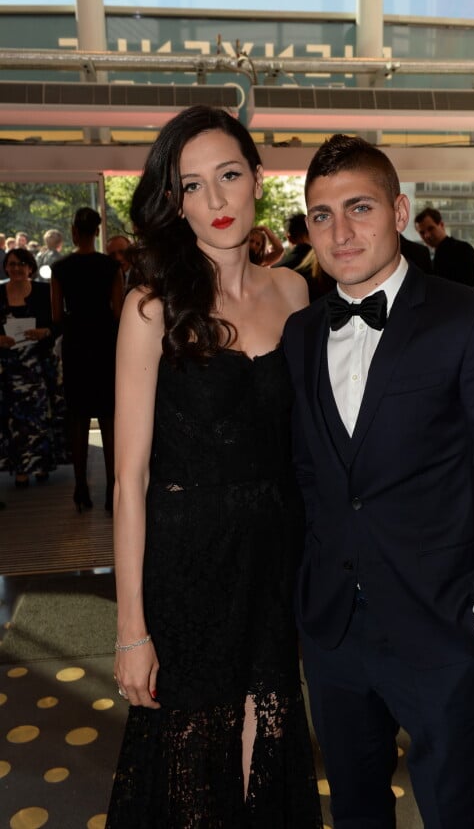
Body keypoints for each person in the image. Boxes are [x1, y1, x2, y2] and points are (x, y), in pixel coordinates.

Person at [283, 134, 474, 829]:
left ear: (399, 209)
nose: (340, 232)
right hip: (334, 634)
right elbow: (308, 479)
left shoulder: (472, 319)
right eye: (321, 214)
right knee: (355, 812)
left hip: (445, 630)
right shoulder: (301, 335)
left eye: (359, 207)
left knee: (457, 813)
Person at [106, 105, 322, 829]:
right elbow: (128, 479)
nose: (216, 200)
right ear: (174, 201)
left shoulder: (293, 292)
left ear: (257, 179)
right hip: (188, 559)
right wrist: (132, 629)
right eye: (192, 186)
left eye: (228, 175)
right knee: (193, 752)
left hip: (274, 553)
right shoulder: (151, 307)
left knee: (269, 720)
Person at [51, 207, 124, 512]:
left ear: (73, 231)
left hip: (77, 342)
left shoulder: (60, 268)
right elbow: (119, 311)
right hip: (105, 342)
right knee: (108, 419)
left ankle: (81, 486)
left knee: (78, 419)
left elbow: (56, 315)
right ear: (97, 232)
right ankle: (112, 488)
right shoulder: (110, 266)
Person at [0, 248, 67, 486]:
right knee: (12, 419)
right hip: (8, 369)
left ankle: (42, 464)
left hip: (39, 366)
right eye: (11, 264)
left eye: (21, 264)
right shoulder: (0, 292)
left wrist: (45, 332)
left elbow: (59, 323)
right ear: (6, 267)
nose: (16, 268)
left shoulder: (42, 291)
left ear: (30, 267)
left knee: (41, 416)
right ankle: (20, 468)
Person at [415, 205, 474, 287]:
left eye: (431, 228)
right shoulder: (463, 248)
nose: (427, 235)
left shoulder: (463, 250)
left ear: (441, 225)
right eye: (422, 233)